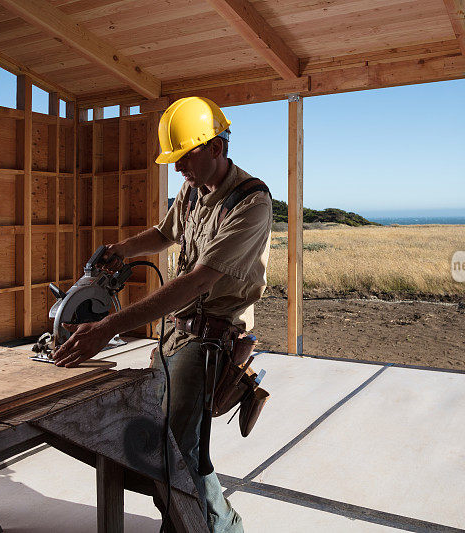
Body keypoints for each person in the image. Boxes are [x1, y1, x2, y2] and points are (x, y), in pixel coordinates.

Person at [53, 96, 273, 532]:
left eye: (184, 156)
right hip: (176, 334)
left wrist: (106, 328)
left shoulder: (251, 203)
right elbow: (163, 232)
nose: (177, 169)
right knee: (164, 444)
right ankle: (199, 522)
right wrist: (124, 249)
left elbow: (195, 282)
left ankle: (216, 527)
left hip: (212, 339)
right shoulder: (193, 191)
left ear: (216, 147)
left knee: (175, 451)